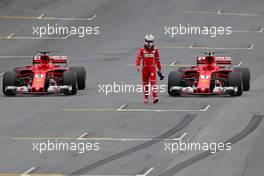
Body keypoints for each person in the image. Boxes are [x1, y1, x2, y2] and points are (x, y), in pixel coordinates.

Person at [136, 34, 163, 103]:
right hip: (145, 69)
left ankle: (155, 97)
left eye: (150, 41)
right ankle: (146, 98)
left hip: (152, 68)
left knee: (153, 82)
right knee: (145, 83)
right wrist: (138, 65)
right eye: (147, 41)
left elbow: (157, 59)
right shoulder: (142, 49)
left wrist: (159, 69)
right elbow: (139, 58)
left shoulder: (155, 50)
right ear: (145, 41)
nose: (149, 43)